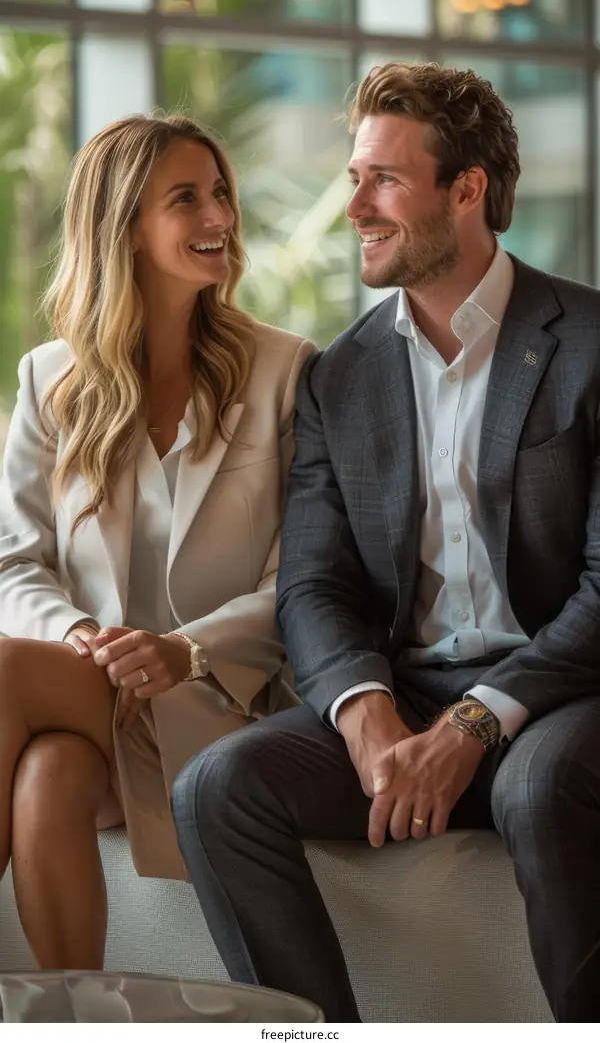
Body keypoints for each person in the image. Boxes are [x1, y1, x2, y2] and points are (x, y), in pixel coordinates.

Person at [172, 62, 600, 1024]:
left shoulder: (588, 342)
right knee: (217, 790)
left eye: (383, 180)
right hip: (410, 692)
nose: (354, 203)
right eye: (354, 174)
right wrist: (367, 716)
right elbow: (315, 585)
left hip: (568, 692)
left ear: (467, 189)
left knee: (535, 790)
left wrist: (479, 723)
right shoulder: (343, 374)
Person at [0, 111, 314, 970]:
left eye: (220, 194)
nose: (219, 218)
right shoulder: (49, 378)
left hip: (227, 702)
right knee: (50, 775)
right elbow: (14, 561)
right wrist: (75, 637)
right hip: (95, 701)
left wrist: (183, 652)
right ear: (124, 228)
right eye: (186, 199)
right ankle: (69, 1022)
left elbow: (309, 579)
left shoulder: (286, 368)